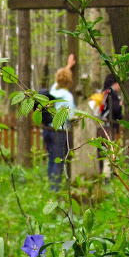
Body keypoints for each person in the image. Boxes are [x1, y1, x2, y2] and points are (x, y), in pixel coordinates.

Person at [43, 58, 76, 191]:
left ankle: (51, 187)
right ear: (69, 81)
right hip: (60, 132)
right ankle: (55, 189)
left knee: (51, 159)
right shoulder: (67, 96)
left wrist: (68, 66)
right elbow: (70, 115)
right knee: (59, 160)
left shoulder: (52, 91)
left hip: (47, 130)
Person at [97, 73, 123, 180]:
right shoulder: (112, 94)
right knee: (108, 152)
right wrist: (120, 105)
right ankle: (107, 178)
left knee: (101, 152)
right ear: (114, 83)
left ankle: (102, 175)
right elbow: (115, 110)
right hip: (107, 126)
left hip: (100, 126)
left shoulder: (104, 93)